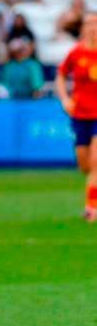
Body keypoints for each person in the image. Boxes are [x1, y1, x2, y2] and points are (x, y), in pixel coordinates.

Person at [55, 12, 97, 223]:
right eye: (88, 23)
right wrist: (65, 98)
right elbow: (61, 75)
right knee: (84, 164)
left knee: (96, 160)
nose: (92, 27)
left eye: (95, 23)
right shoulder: (76, 53)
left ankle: (91, 208)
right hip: (80, 114)